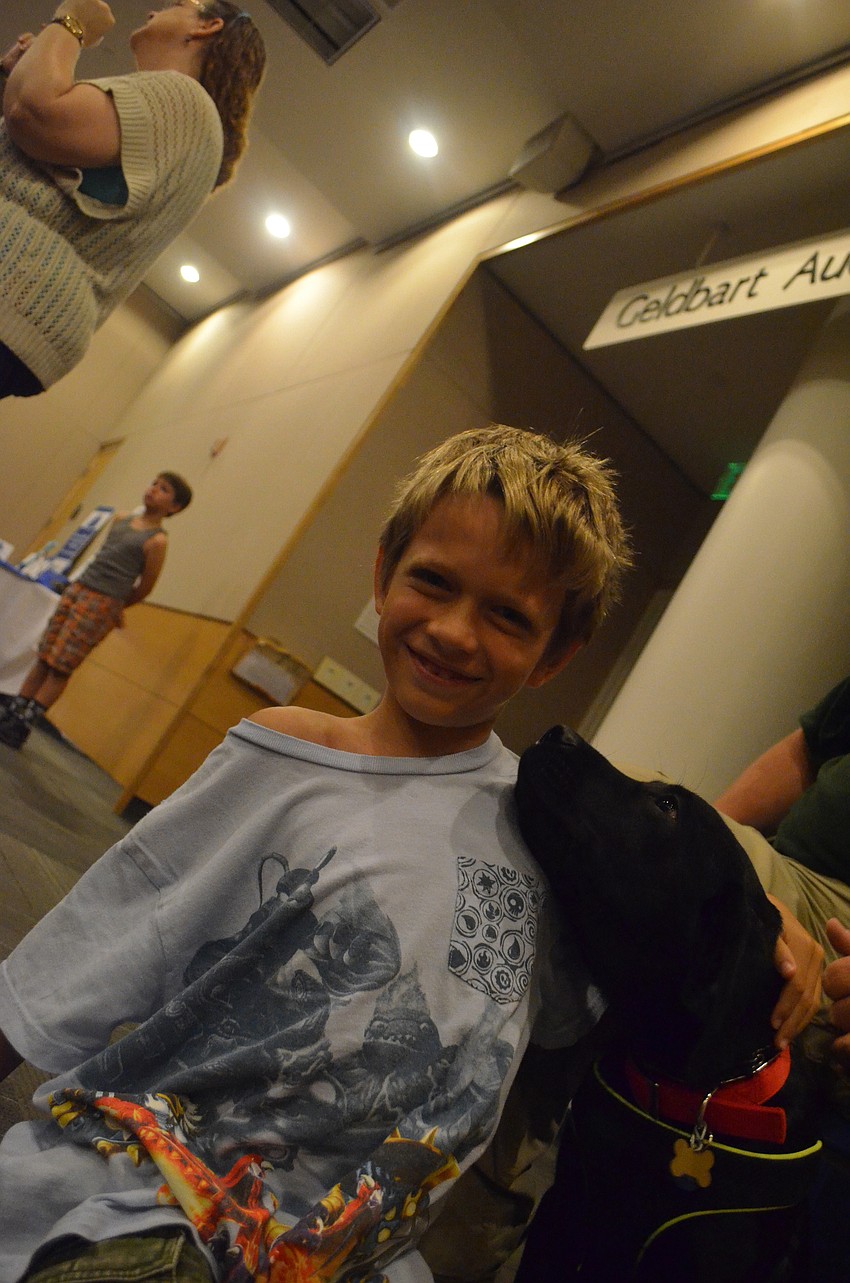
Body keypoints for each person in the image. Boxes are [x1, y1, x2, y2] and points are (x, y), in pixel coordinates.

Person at [0, 425, 817, 1283]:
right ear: (384, 569)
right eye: (433, 582)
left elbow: (665, 952)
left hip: (346, 1257)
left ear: (559, 651)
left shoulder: (541, 836)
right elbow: (81, 956)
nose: (456, 632)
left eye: (508, 616)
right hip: (154, 1203)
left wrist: (774, 943)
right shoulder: (283, 755)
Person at [0, 0, 266, 399]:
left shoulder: (185, 100)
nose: (151, 11)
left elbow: (34, 113)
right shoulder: (180, 125)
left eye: (180, 3)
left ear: (208, 27)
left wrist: (72, 20)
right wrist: (11, 77)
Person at [0, 471, 192, 750]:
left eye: (163, 490)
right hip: (78, 590)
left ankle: (22, 724)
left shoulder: (157, 541)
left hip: (102, 603)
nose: (153, 490)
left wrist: (113, 605)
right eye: (154, 483)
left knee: (61, 666)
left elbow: (145, 586)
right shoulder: (120, 520)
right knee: (44, 654)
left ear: (174, 507)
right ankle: (12, 711)